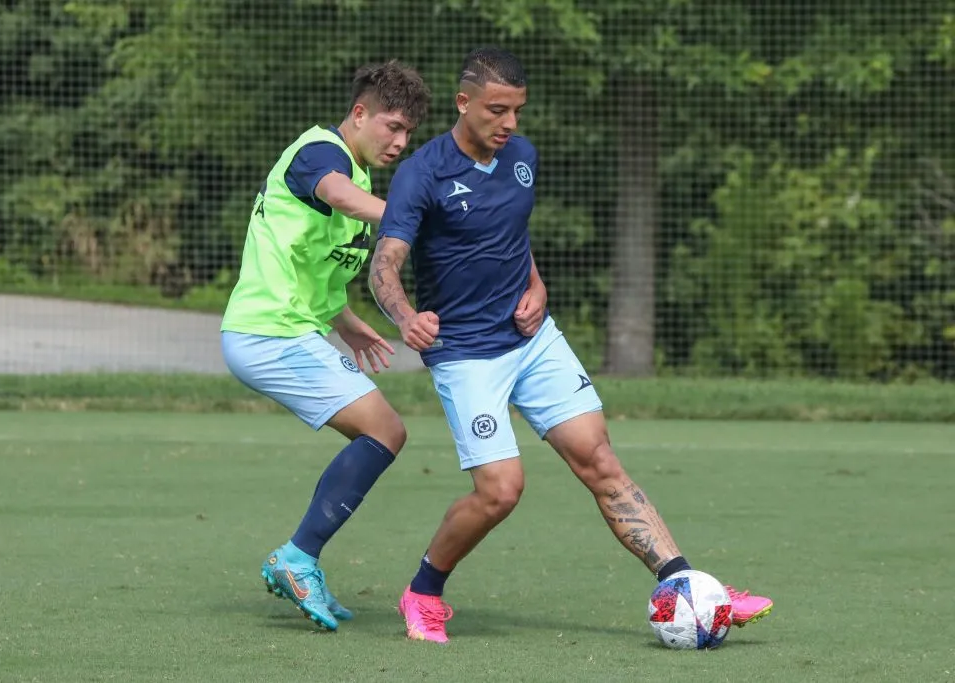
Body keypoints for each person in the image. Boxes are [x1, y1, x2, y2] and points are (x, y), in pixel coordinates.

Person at [369, 47, 773, 644]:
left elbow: (512, 236)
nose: (509, 125)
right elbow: (386, 263)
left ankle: (689, 586)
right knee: (501, 491)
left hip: (534, 342)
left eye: (517, 112)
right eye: (496, 110)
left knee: (600, 461)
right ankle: (423, 591)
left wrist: (536, 283)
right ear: (464, 103)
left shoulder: (522, 158)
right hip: (466, 354)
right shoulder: (422, 173)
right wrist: (405, 316)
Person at [220, 60, 431, 632]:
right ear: (358, 114)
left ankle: (301, 557)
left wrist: (346, 320)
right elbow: (334, 193)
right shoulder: (322, 152)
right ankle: (297, 557)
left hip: (286, 329)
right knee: (386, 430)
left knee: (382, 433)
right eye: (391, 126)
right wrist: (414, 217)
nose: (400, 141)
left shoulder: (360, 177)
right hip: (270, 332)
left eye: (408, 132)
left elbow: (304, 261)